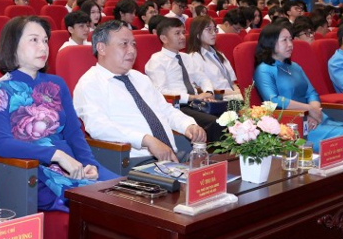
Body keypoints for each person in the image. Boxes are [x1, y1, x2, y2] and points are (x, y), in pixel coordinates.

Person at [252, 22, 343, 224]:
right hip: (290, 126)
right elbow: (273, 101)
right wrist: (307, 110)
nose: (290, 44)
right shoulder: (264, 69)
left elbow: (312, 92)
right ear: (270, 44)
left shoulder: (294, 67)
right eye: (284, 40)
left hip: (313, 120)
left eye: (291, 39)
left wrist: (313, 110)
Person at [0, 16, 116, 212]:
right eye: (34, 40)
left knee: (126, 192)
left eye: (45, 40)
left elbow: (74, 133)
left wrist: (90, 164)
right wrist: (56, 155)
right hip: (36, 172)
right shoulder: (0, 90)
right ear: (13, 45)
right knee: (108, 206)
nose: (43, 47)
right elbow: (2, 144)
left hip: (75, 166)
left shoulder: (56, 84)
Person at [75, 21, 206, 166]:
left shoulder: (139, 78)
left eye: (133, 44)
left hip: (172, 156)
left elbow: (166, 110)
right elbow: (98, 127)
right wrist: (145, 140)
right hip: (134, 161)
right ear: (101, 48)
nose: (131, 50)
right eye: (124, 44)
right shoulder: (90, 83)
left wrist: (188, 125)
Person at [143, 17, 222, 143]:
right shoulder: (157, 60)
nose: (182, 37)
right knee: (214, 122)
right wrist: (192, 98)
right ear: (164, 38)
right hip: (177, 106)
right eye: (177, 33)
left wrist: (208, 92)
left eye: (183, 32)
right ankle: (216, 157)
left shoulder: (186, 57)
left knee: (230, 115)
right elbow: (160, 91)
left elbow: (203, 78)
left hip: (197, 104)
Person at [184, 15, 239, 96]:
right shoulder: (193, 58)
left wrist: (239, 93)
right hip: (216, 98)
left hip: (233, 95)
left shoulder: (220, 54)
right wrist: (234, 94)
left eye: (214, 29)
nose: (214, 33)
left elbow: (232, 83)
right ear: (197, 33)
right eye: (209, 30)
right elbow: (200, 89)